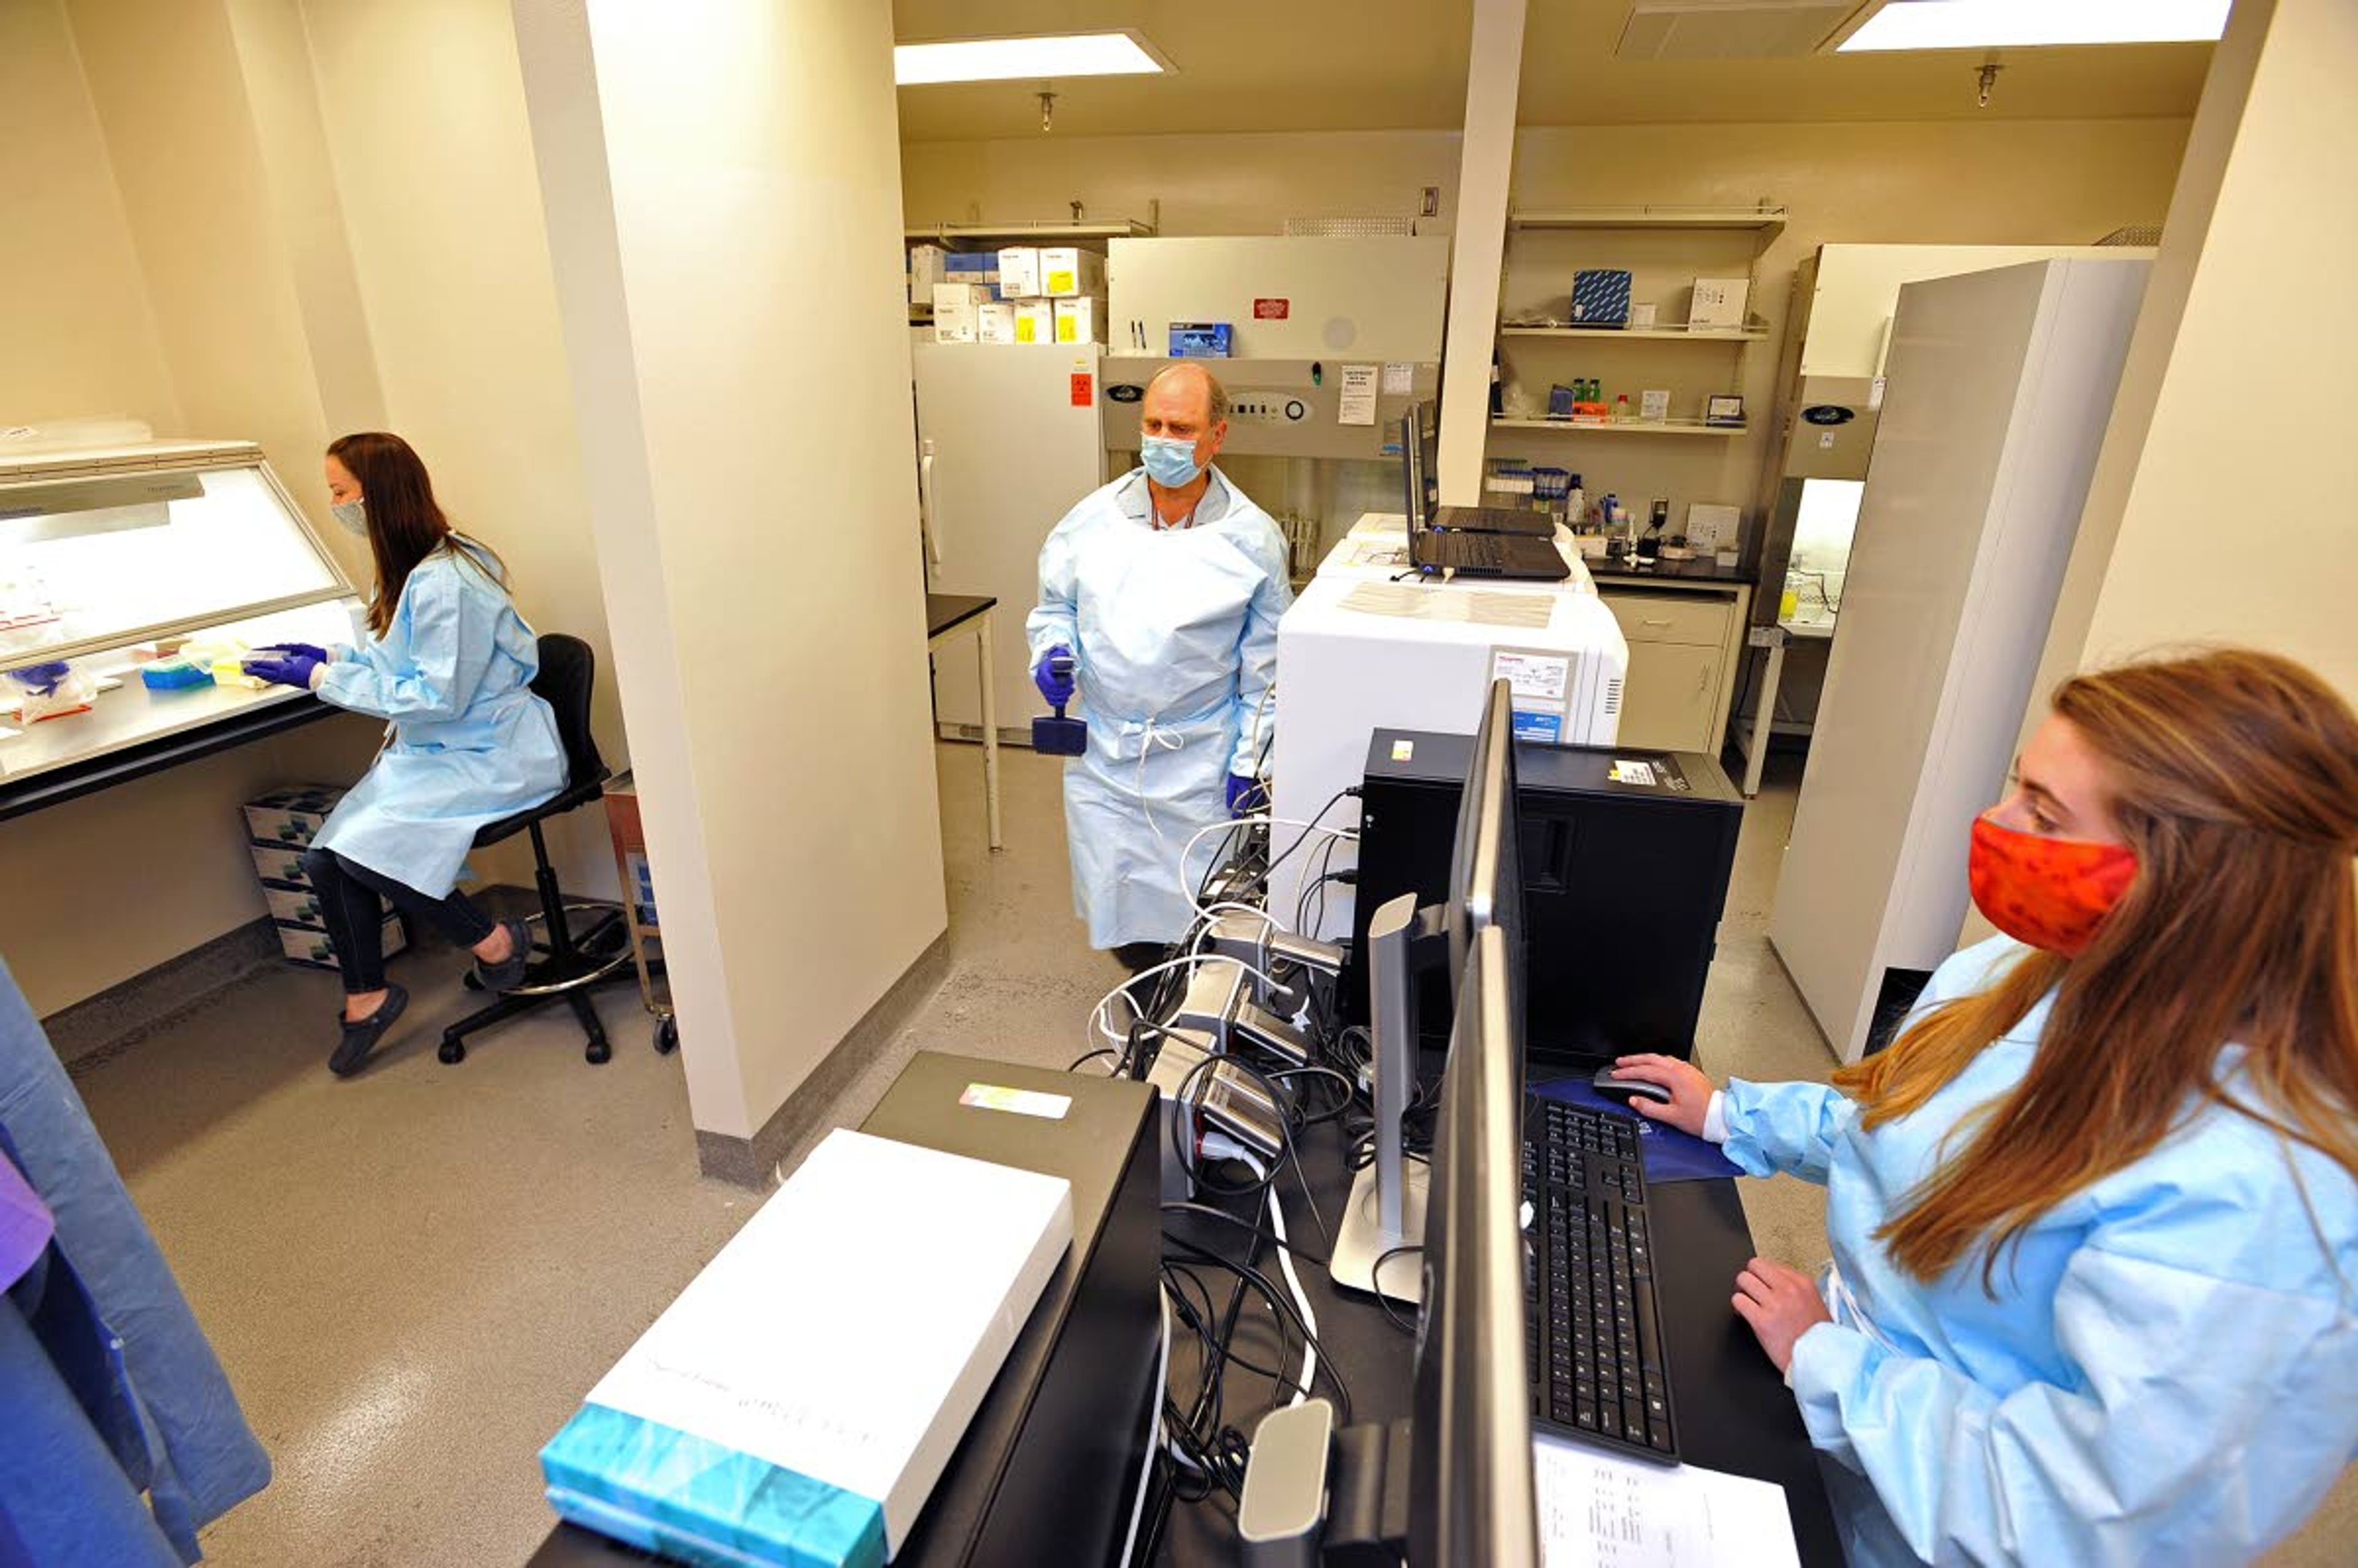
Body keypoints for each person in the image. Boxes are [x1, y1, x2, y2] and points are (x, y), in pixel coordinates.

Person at [1611, 647, 2358, 1566]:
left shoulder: (2263, 1207)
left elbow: (2088, 1519)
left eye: (2043, 812)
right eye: (2019, 789)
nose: (1997, 823)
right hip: (1850, 1432)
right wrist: (1733, 1115)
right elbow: (1909, 1124)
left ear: (2191, 880)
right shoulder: (2021, 974)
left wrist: (1832, 1364)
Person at [242, 433, 566, 1077]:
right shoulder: (413, 567)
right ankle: (369, 995)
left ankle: (496, 939)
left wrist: (320, 682)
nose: (332, 502)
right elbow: (404, 663)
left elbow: (436, 695)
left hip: (492, 753)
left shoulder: (449, 581)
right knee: (324, 861)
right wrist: (330, 659)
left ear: (378, 496)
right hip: (442, 751)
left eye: (339, 492)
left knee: (361, 852)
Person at [1026, 362, 1292, 963]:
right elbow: (1055, 610)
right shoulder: (1090, 523)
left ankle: (1186, 1015)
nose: (1163, 440)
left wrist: (1253, 761)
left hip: (1199, 757)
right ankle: (1142, 1003)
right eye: (1153, 423)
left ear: (1217, 435)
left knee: (1195, 904)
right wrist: (1052, 653)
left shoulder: (1252, 541)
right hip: (1105, 752)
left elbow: (1269, 671)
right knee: (1117, 895)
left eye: (1181, 427)